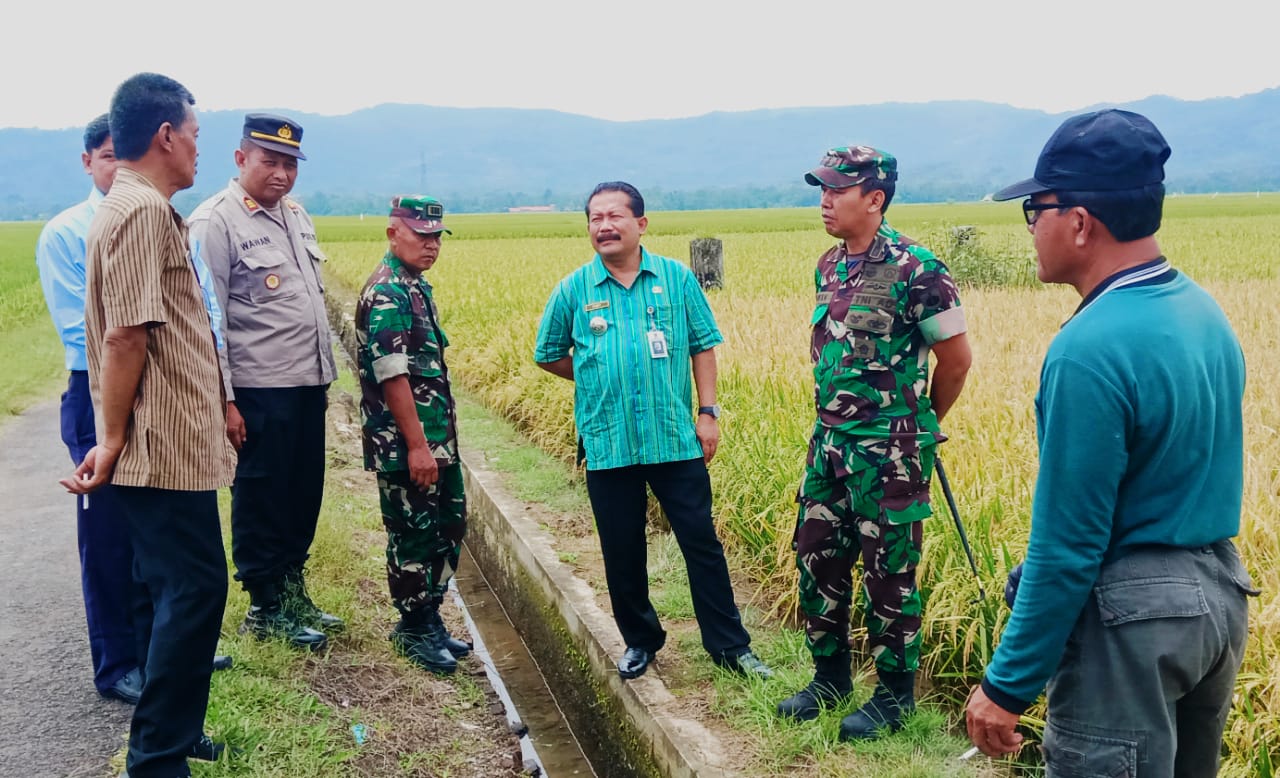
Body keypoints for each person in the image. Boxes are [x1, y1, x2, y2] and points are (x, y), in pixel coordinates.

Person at [964, 110, 1257, 775]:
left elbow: (1069, 544)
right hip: (1218, 602)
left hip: (1135, 625)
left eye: (1036, 208)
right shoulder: (1202, 311)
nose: (1033, 226)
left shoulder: (1087, 351)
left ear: (1080, 221)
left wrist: (1007, 685)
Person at [60, 72, 237, 778]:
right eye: (195, 137)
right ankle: (157, 757)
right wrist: (108, 440)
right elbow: (125, 336)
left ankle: (174, 733)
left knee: (185, 590)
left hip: (172, 443)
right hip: (159, 447)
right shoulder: (138, 211)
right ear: (166, 135)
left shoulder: (140, 207)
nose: (198, 151)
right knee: (192, 590)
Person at [534, 181, 771, 681]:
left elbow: (703, 345)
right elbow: (547, 353)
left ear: (640, 224)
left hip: (673, 436)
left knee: (700, 541)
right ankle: (641, 641)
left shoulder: (676, 279)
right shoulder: (574, 289)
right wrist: (598, 372)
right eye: (595, 217)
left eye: (614, 215)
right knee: (621, 549)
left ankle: (731, 647)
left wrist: (708, 412)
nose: (604, 225)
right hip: (607, 439)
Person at [776, 147, 971, 741]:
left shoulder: (920, 269)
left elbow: (957, 361)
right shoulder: (829, 265)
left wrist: (918, 427)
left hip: (891, 455)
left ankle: (893, 698)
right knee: (817, 555)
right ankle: (830, 678)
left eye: (838, 190)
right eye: (823, 189)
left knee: (889, 573)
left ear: (876, 199)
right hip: (830, 445)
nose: (826, 201)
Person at [189, 113, 339, 652]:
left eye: (289, 164)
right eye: (269, 162)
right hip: (257, 390)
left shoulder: (295, 216)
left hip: (305, 384)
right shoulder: (216, 222)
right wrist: (225, 401)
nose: (280, 174)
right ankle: (264, 605)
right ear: (241, 159)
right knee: (262, 494)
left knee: (303, 491)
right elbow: (209, 320)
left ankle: (294, 589)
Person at [355, 195, 472, 675]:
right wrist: (418, 446)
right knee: (413, 534)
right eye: (420, 234)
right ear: (393, 233)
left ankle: (430, 616)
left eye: (435, 237)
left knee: (448, 526)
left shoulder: (415, 287)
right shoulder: (387, 293)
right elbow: (393, 376)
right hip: (406, 447)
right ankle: (412, 626)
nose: (430, 245)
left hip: (437, 441)